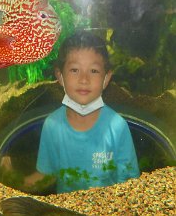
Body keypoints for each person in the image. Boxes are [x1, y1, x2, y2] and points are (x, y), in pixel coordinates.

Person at [23, 30, 140, 193]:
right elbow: (44, 175)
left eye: (93, 71)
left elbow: (130, 185)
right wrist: (9, 178)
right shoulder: (52, 125)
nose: (84, 79)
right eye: (74, 70)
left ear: (106, 79)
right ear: (60, 76)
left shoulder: (117, 126)